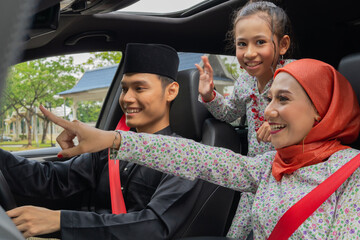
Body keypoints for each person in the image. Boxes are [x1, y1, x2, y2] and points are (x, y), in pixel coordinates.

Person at [42, 59, 360, 239]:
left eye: (284, 99)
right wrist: (115, 139)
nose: (269, 111)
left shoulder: (351, 174)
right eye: (269, 98)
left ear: (322, 108)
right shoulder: (270, 166)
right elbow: (200, 158)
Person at [2, 43, 209, 239]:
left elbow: (153, 227)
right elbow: (51, 180)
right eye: (125, 88)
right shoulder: (109, 148)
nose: (126, 98)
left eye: (139, 88)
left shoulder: (184, 158)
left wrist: (61, 220)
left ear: (171, 91)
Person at [196, 1, 294, 238]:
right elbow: (229, 113)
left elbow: (318, 119)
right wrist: (210, 95)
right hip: (254, 175)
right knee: (236, 234)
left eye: (260, 42)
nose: (249, 53)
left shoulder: (294, 76)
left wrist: (282, 124)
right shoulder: (244, 82)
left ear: (282, 45)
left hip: (290, 176)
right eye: (242, 44)